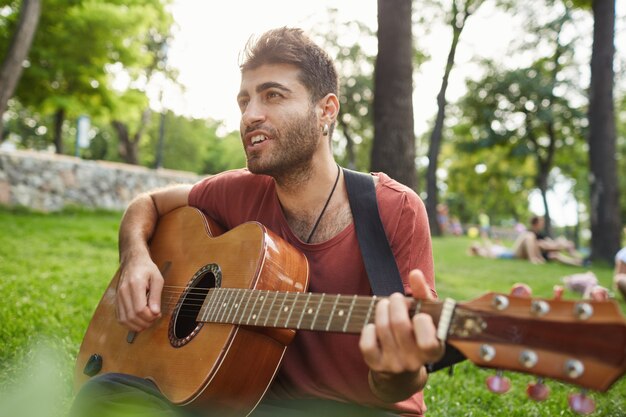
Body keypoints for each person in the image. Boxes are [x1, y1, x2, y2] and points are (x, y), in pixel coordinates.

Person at [71, 28, 442, 417]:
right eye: (244, 101)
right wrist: (135, 259)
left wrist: (395, 372)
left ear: (326, 111)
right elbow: (146, 203)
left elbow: (403, 382)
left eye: (273, 95)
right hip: (245, 399)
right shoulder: (239, 190)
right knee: (106, 392)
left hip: (356, 409)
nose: (250, 116)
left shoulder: (393, 209)